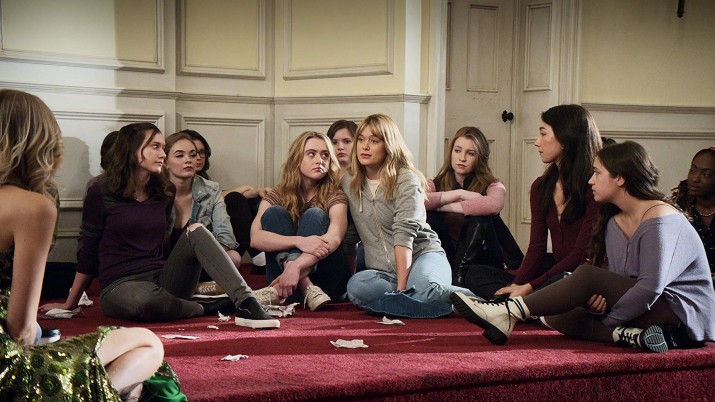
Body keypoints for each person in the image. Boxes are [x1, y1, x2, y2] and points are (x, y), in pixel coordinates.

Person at [450, 141, 715, 353]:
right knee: (555, 316)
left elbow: (650, 288)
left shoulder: (660, 218)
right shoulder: (615, 222)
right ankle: (632, 336)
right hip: (648, 309)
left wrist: (608, 318)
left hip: (682, 313)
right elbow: (621, 279)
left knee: (586, 275)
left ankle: (510, 312)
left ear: (620, 178)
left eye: (597, 173)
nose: (591, 181)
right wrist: (598, 301)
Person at [0, 89, 167, 400]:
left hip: (154, 278)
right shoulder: (34, 207)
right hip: (7, 367)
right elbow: (20, 328)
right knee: (148, 344)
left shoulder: (160, 190)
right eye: (156, 146)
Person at [40, 122, 279, 329]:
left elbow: (163, 242)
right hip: (119, 286)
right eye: (155, 147)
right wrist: (70, 303)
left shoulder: (163, 191)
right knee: (147, 300)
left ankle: (246, 302)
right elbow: (89, 251)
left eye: (163, 148)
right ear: (133, 150)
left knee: (196, 230)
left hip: (162, 278)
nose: (162, 154)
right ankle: (205, 307)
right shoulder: (101, 191)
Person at [342, 114, 476, 317]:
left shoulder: (406, 179)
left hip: (423, 255)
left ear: (389, 145)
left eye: (374, 141)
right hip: (386, 273)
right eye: (361, 139)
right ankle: (424, 304)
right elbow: (350, 236)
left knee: (427, 290)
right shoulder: (349, 182)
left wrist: (401, 292)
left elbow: (404, 235)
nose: (365, 146)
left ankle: (487, 302)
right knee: (356, 287)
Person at [465, 104, 601, 300]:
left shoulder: (594, 187)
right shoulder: (541, 187)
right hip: (555, 268)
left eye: (543, 134)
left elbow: (581, 254)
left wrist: (529, 287)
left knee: (561, 280)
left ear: (566, 137)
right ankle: (521, 303)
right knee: (475, 274)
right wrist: (517, 285)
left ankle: (522, 303)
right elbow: (537, 247)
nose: (537, 142)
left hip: (582, 273)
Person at [250, 131, 350, 311]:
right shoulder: (279, 193)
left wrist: (295, 267)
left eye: (325, 155)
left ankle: (290, 284)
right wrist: (299, 242)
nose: (320, 160)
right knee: (274, 213)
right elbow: (255, 238)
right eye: (311, 154)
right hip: (288, 282)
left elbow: (334, 238)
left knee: (315, 215)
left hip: (325, 284)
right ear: (296, 159)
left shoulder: (335, 194)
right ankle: (306, 286)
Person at [425, 127, 521, 286]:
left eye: (470, 153)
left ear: (480, 158)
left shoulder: (494, 184)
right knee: (430, 214)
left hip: (483, 257)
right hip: (445, 254)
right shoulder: (434, 183)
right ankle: (454, 275)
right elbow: (417, 200)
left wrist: (442, 206)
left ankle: (458, 276)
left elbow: (493, 205)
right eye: (457, 151)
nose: (462, 158)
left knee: (480, 215)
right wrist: (459, 194)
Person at [182, 129, 268, 273]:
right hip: (194, 244)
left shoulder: (206, 183)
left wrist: (255, 191)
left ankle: (261, 259)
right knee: (235, 199)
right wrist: (240, 189)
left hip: (222, 241)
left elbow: (216, 196)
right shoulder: (175, 184)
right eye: (193, 153)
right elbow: (217, 196)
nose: (198, 157)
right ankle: (260, 258)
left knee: (252, 201)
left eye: (202, 152)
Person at [163, 132, 242, 269]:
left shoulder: (211, 190)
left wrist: (200, 258)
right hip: (164, 264)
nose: (188, 160)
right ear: (165, 162)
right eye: (180, 155)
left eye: (193, 155)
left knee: (233, 257)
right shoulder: (155, 191)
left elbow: (226, 237)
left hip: (199, 262)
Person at [671, 147, 715, 278]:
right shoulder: (677, 207)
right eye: (693, 170)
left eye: (706, 174)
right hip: (687, 284)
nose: (695, 178)